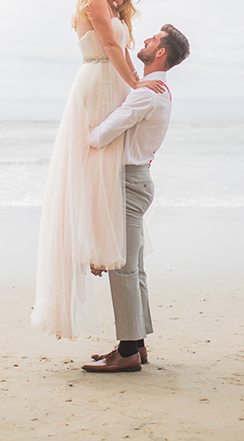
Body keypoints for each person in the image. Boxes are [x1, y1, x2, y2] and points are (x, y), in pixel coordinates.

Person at [31, 0, 165, 340]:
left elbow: (120, 48)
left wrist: (135, 83)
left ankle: (102, 241)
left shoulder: (117, 8)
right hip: (100, 78)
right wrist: (137, 84)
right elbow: (108, 45)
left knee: (111, 160)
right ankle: (95, 242)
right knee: (96, 156)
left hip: (116, 80)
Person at [81, 23, 190, 372]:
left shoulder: (146, 93)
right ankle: (137, 344)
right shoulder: (158, 91)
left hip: (129, 184)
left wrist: (80, 130)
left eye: (153, 39)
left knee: (124, 269)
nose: (145, 40)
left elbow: (101, 136)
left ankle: (127, 352)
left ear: (160, 52)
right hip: (137, 181)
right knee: (134, 267)